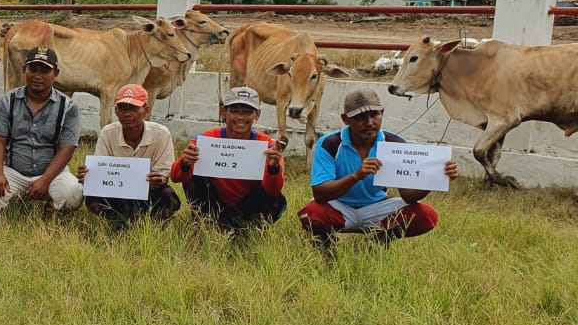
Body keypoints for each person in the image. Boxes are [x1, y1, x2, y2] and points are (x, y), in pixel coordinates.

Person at [299, 87, 458, 245]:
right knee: (311, 213)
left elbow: (408, 196)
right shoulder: (329, 144)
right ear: (345, 119)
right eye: (360, 117)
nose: (369, 123)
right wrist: (356, 176)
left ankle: (375, 243)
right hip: (340, 207)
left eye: (374, 115)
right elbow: (320, 194)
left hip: (377, 207)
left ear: (382, 113)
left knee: (425, 215)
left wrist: (435, 177)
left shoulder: (395, 144)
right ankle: (327, 248)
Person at [0, 46, 83, 213]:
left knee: (73, 195)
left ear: (56, 74)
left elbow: (67, 149)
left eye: (44, 71)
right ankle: (16, 204)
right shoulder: (7, 101)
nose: (37, 76)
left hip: (52, 172)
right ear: (23, 70)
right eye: (33, 69)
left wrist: (46, 180)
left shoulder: (68, 107)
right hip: (13, 170)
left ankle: (51, 207)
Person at [170, 86, 286, 231]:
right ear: (223, 112)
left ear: (257, 115)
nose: (240, 117)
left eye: (247, 112)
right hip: (215, 201)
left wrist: (273, 168)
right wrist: (185, 163)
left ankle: (252, 227)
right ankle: (205, 221)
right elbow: (175, 177)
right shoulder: (205, 140)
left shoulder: (269, 146)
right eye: (235, 111)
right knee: (191, 177)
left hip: (248, 204)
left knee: (278, 200)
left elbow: (273, 191)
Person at [78, 84, 179, 225]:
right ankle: (114, 220)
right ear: (116, 111)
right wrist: (90, 177)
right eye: (122, 108)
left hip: (147, 191)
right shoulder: (107, 133)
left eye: (133, 109)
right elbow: (101, 170)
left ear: (146, 111)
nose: (127, 114)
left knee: (167, 196)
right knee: (92, 197)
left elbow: (163, 174)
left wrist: (159, 180)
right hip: (115, 191)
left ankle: (155, 222)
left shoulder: (161, 134)